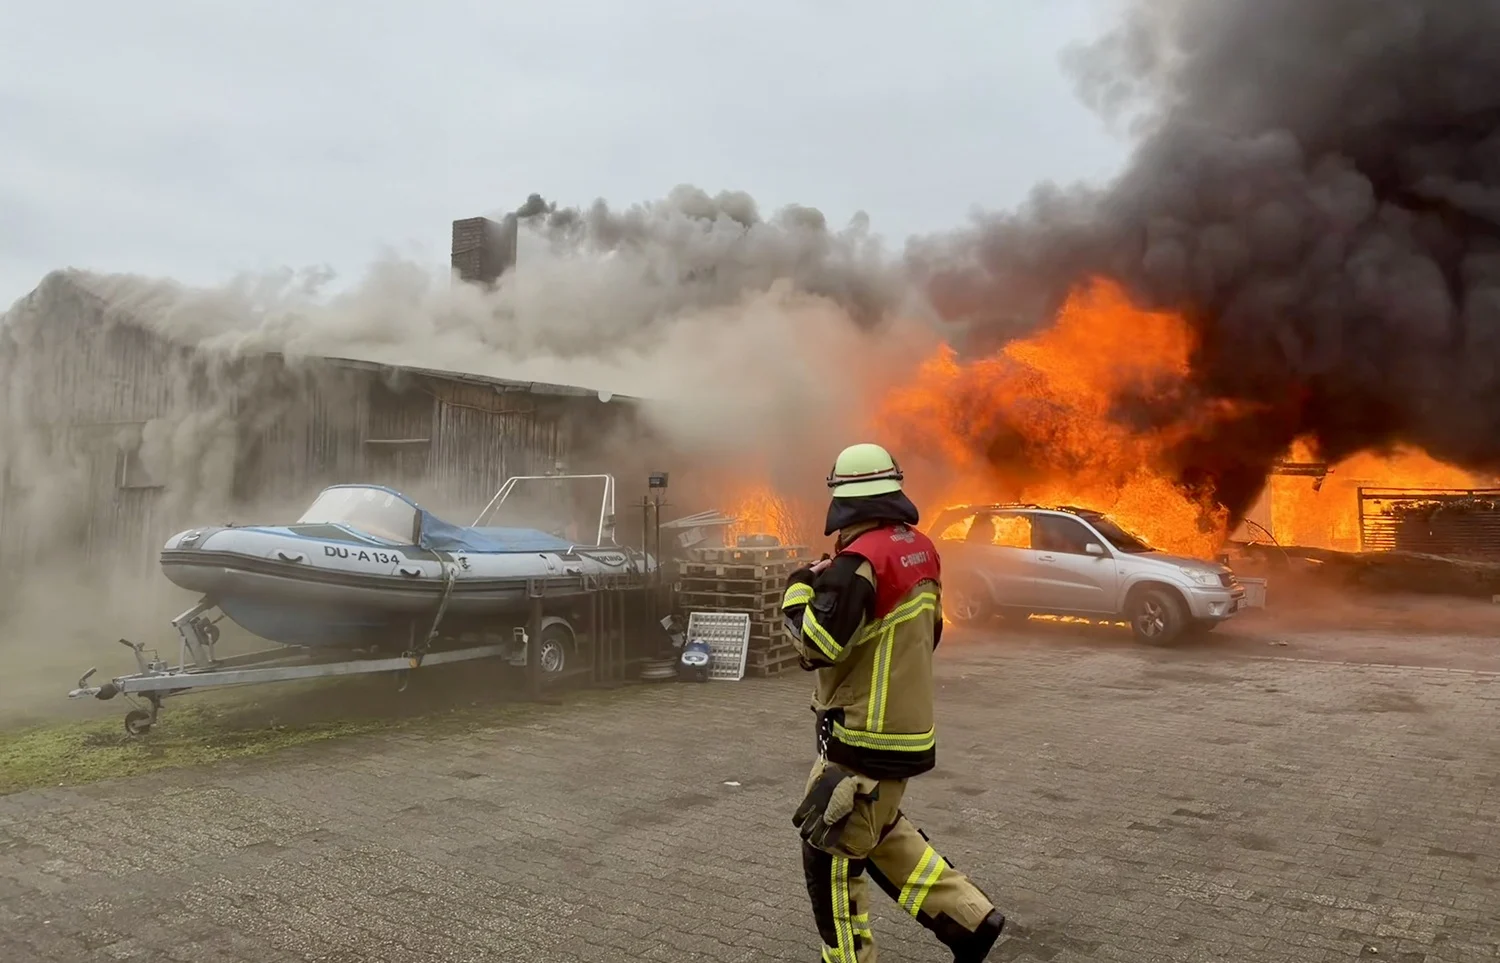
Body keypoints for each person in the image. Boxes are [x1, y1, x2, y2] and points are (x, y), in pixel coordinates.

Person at [781, 442, 1007, 962]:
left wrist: (797, 588)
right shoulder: (921, 548)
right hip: (904, 731)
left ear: (844, 501)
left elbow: (815, 646)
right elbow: (930, 632)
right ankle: (970, 923)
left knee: (830, 853)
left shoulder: (856, 563)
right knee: (878, 833)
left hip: (860, 738)